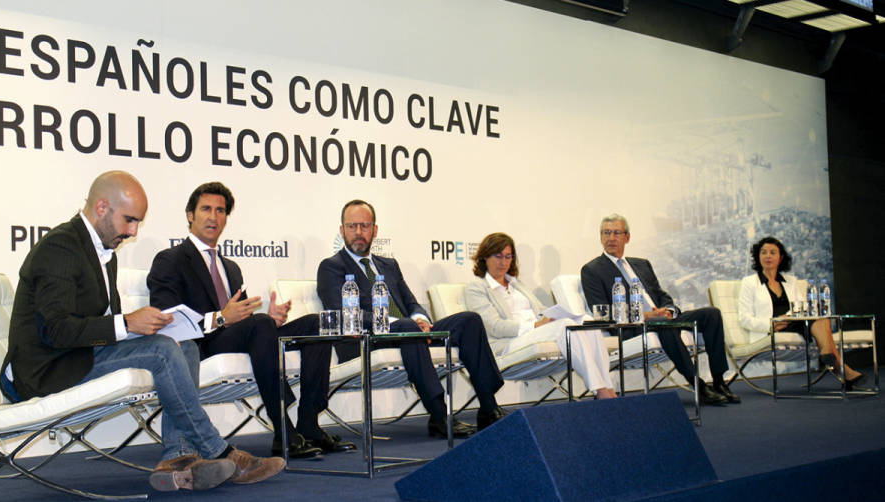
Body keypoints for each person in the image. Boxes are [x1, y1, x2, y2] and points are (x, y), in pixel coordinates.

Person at [0, 171, 283, 492]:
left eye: (138, 223)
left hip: (80, 354)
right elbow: (55, 331)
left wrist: (141, 327)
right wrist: (128, 323)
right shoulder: (61, 247)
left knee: (182, 343)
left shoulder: (105, 250)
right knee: (162, 350)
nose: (133, 231)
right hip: (45, 368)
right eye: (129, 220)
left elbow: (97, 324)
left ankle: (176, 458)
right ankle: (218, 449)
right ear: (102, 207)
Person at [147, 182, 355, 458]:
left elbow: (243, 319)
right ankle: (283, 429)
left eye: (220, 211)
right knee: (259, 325)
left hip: (242, 337)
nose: (213, 217)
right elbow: (167, 319)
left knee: (316, 325)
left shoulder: (230, 267)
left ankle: (309, 423)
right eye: (206, 209)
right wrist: (221, 318)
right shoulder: (170, 259)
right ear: (190, 215)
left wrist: (270, 320)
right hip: (199, 346)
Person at [316, 200, 507, 436]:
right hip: (365, 341)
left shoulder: (389, 264)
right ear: (342, 230)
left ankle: (488, 408)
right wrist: (403, 324)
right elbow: (344, 314)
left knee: (469, 320)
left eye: (364, 226)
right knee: (407, 327)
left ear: (375, 230)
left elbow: (410, 302)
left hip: (409, 334)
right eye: (352, 226)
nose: (358, 233)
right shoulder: (331, 267)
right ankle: (439, 414)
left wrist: (421, 319)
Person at [580, 213, 739, 405]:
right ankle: (698, 384)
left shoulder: (641, 264)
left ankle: (720, 382)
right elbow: (602, 312)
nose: (611, 238)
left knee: (712, 314)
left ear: (627, 237)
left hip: (660, 318)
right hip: (631, 326)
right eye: (606, 233)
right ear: (600, 237)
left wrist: (669, 311)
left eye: (616, 233)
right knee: (663, 325)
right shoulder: (592, 270)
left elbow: (661, 295)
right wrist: (648, 316)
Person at [466, 233, 617, 399]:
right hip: (509, 343)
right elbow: (494, 326)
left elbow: (540, 310)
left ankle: (608, 386)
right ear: (485, 257)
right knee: (566, 326)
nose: (503, 262)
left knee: (585, 321)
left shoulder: (517, 284)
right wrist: (535, 326)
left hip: (536, 333)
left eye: (508, 256)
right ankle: (600, 390)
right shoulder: (477, 288)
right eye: (498, 256)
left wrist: (555, 315)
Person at [738, 236, 864, 388]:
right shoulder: (749, 282)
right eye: (763, 252)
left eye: (772, 252)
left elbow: (803, 308)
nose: (768, 256)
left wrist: (791, 317)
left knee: (821, 319)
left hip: (796, 323)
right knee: (820, 323)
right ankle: (841, 368)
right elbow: (744, 319)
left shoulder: (791, 281)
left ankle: (828, 356)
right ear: (758, 257)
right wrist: (772, 323)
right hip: (772, 329)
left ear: (781, 257)